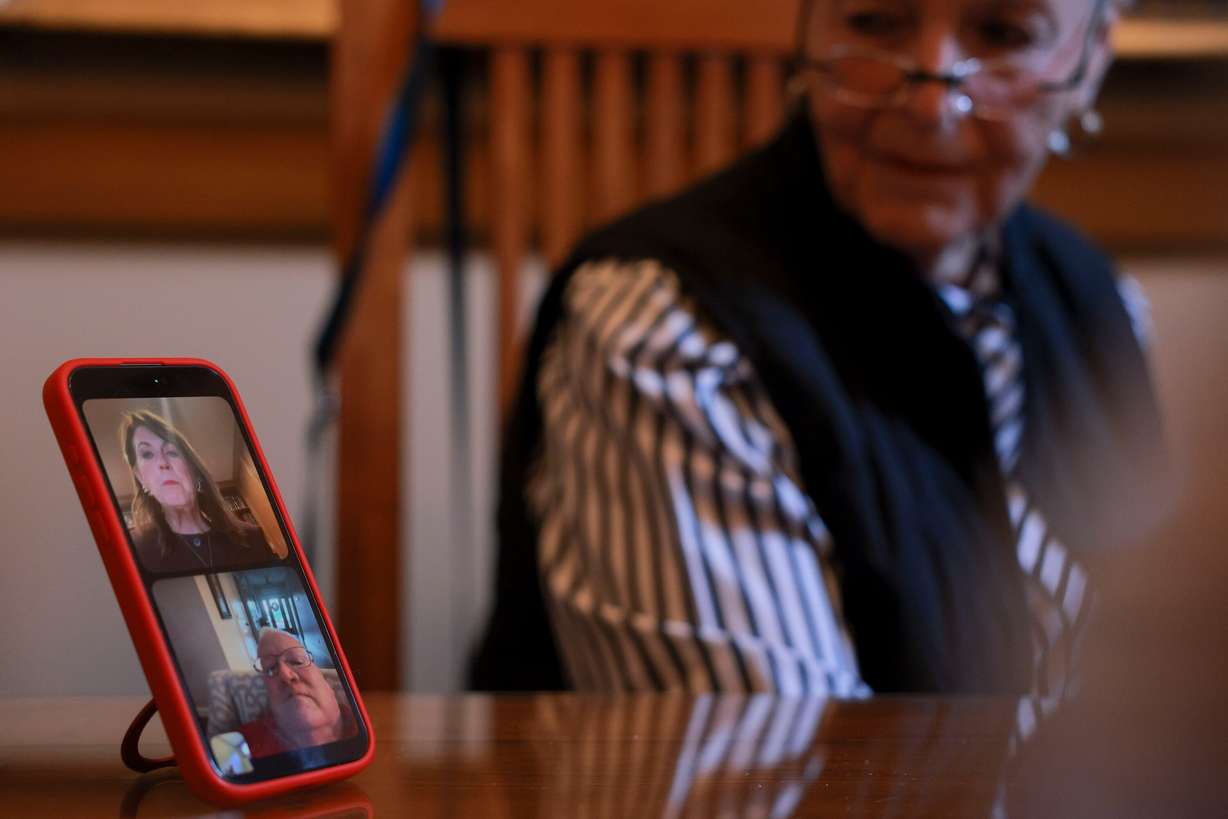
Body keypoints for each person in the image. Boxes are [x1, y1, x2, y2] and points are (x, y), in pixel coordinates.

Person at [471, 0, 1167, 698]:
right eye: (875, 21)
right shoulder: (665, 334)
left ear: (1091, 59)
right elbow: (770, 781)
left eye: (1003, 35)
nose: (930, 102)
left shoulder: (1100, 303)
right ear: (807, 30)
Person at [120, 409, 274, 573]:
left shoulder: (253, 537)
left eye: (172, 452)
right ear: (140, 477)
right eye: (148, 454)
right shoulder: (130, 550)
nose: (163, 463)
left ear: (194, 472)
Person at [233, 629, 355, 758]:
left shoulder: (364, 722)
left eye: (296, 661)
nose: (285, 675)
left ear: (328, 684)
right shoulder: (241, 743)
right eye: (271, 668)